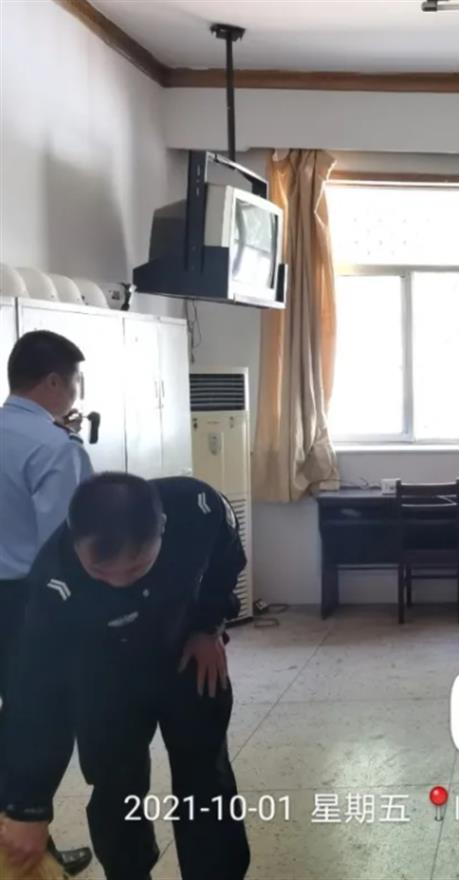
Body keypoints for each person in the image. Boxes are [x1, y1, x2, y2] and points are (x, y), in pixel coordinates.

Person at [0, 473, 251, 880]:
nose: (119, 583)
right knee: (116, 785)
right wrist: (28, 807)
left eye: (136, 567)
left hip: (185, 654)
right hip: (104, 674)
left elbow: (226, 556)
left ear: (163, 528)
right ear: (74, 540)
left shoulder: (197, 508)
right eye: (100, 573)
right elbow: (38, 697)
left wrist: (208, 625)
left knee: (206, 776)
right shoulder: (52, 583)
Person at [0, 331, 94, 877]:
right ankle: (27, 849)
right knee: (39, 721)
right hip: (28, 602)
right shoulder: (55, 448)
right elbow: (62, 548)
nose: (77, 391)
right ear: (55, 381)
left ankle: (27, 845)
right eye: (76, 380)